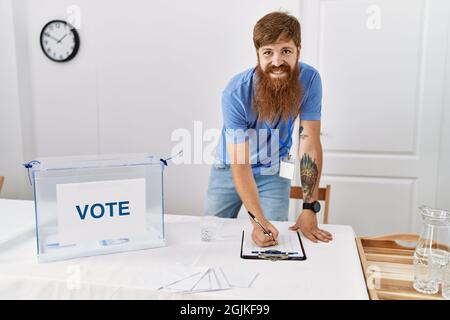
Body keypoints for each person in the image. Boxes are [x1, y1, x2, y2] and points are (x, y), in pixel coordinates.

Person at [205, 11, 333, 247]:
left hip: (279, 166)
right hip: (229, 167)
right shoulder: (235, 92)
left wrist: (309, 206)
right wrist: (257, 221)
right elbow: (240, 163)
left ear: (298, 50)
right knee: (211, 236)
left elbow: (309, 142)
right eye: (268, 52)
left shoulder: (311, 80)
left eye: (285, 50)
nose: (277, 61)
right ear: (258, 55)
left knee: (275, 236)